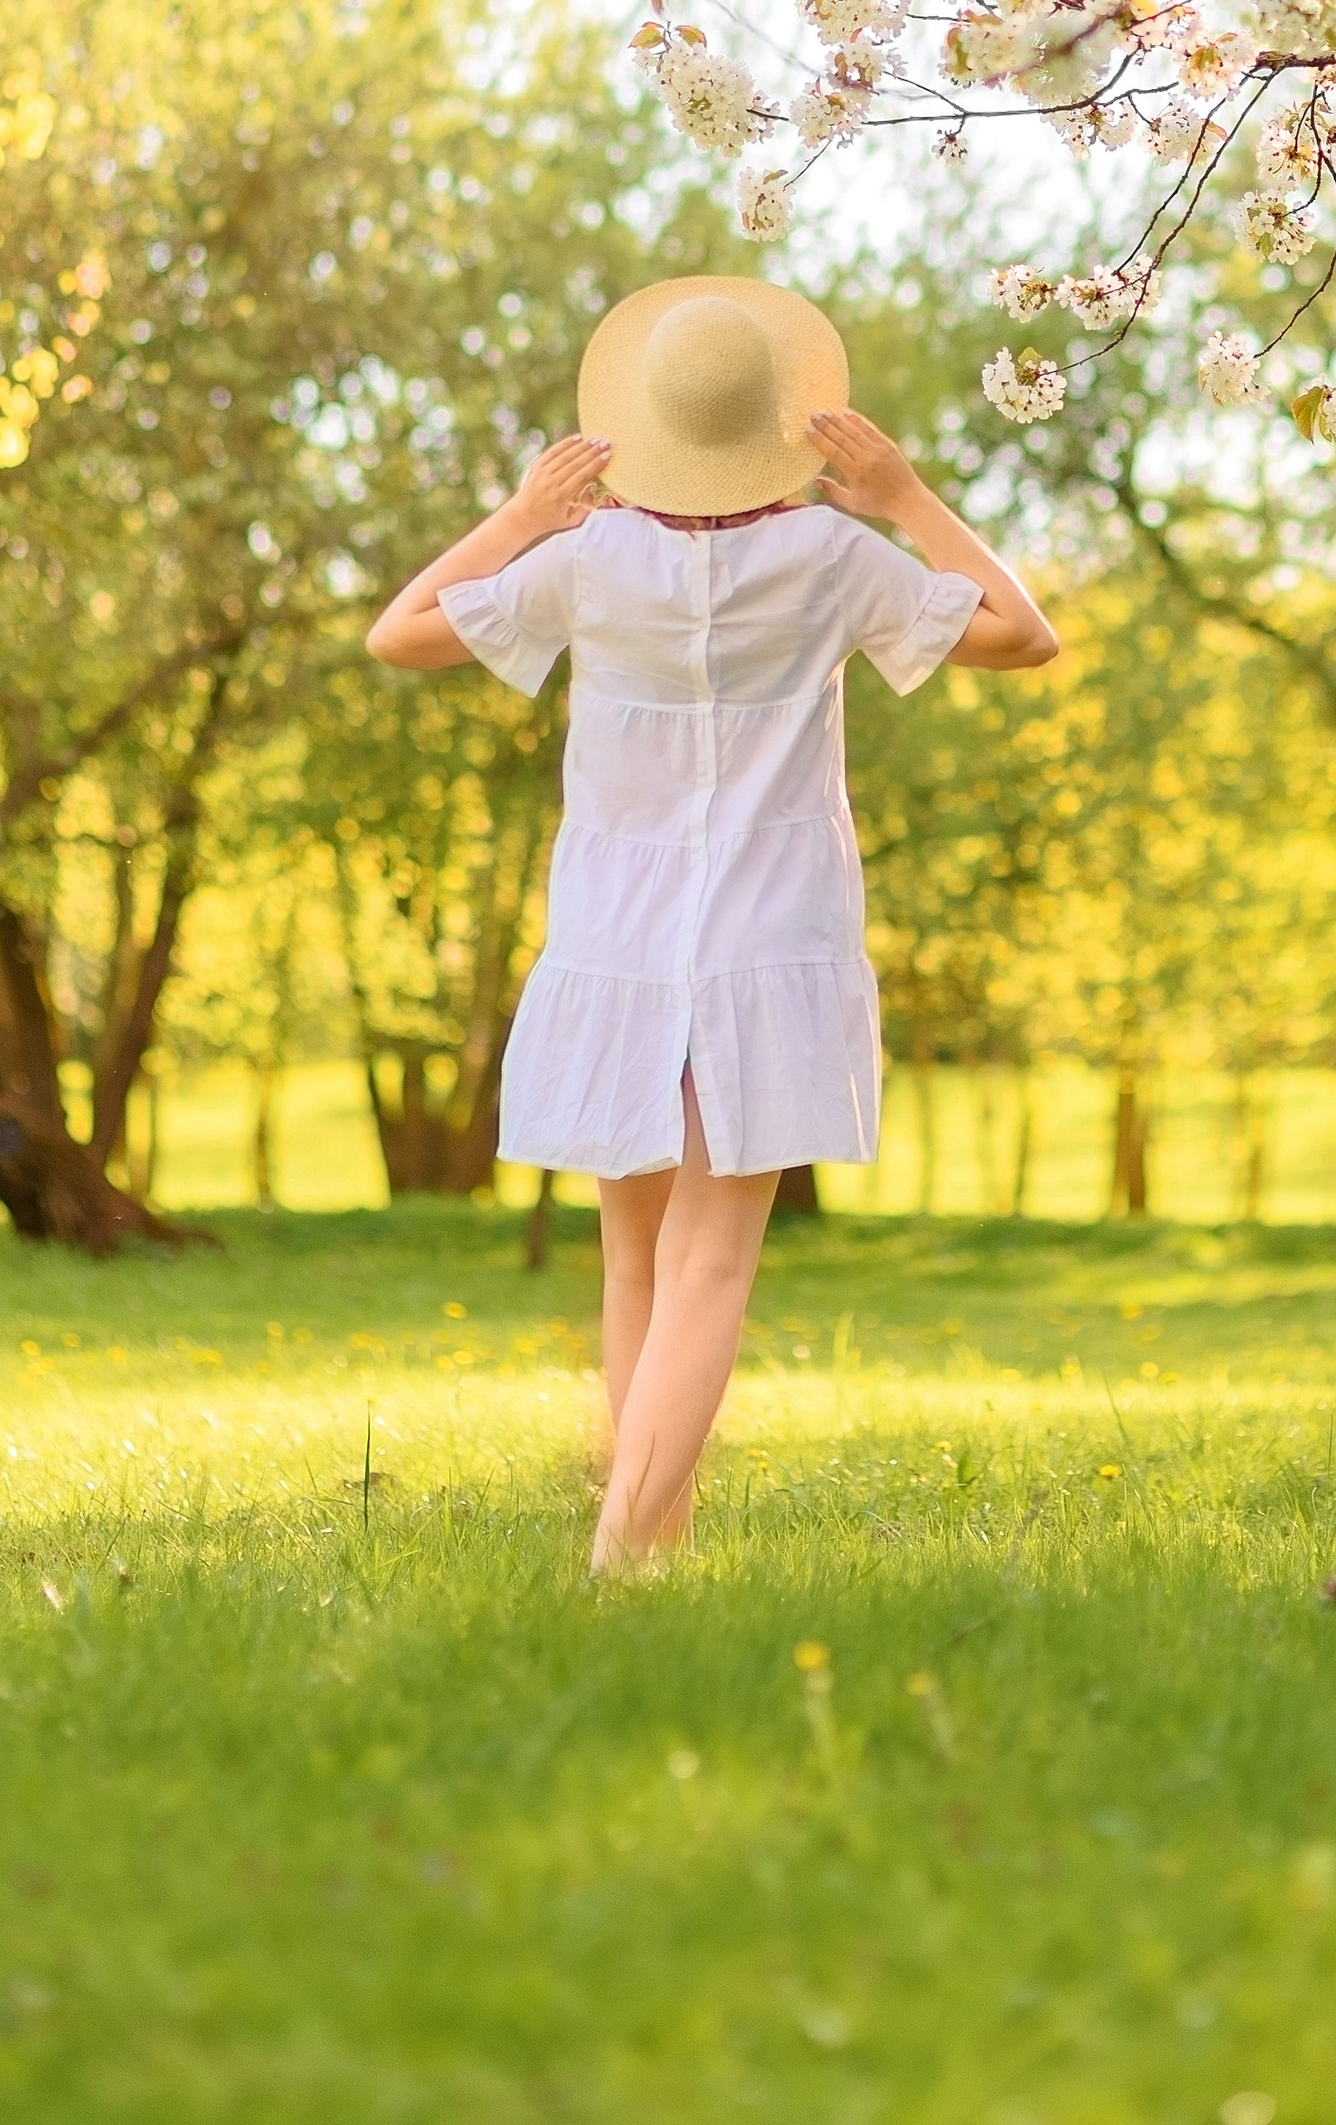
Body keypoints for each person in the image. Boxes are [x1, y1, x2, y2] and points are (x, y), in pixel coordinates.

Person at [366, 274, 1057, 1567]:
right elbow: (1024, 634)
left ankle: (646, 1550)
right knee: (712, 1265)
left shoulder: (584, 563)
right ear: (777, 427)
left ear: (648, 427)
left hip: (618, 940)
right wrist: (906, 499)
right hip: (765, 938)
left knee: (634, 1265)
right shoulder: (834, 557)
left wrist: (519, 515)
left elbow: (399, 632)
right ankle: (629, 1550)